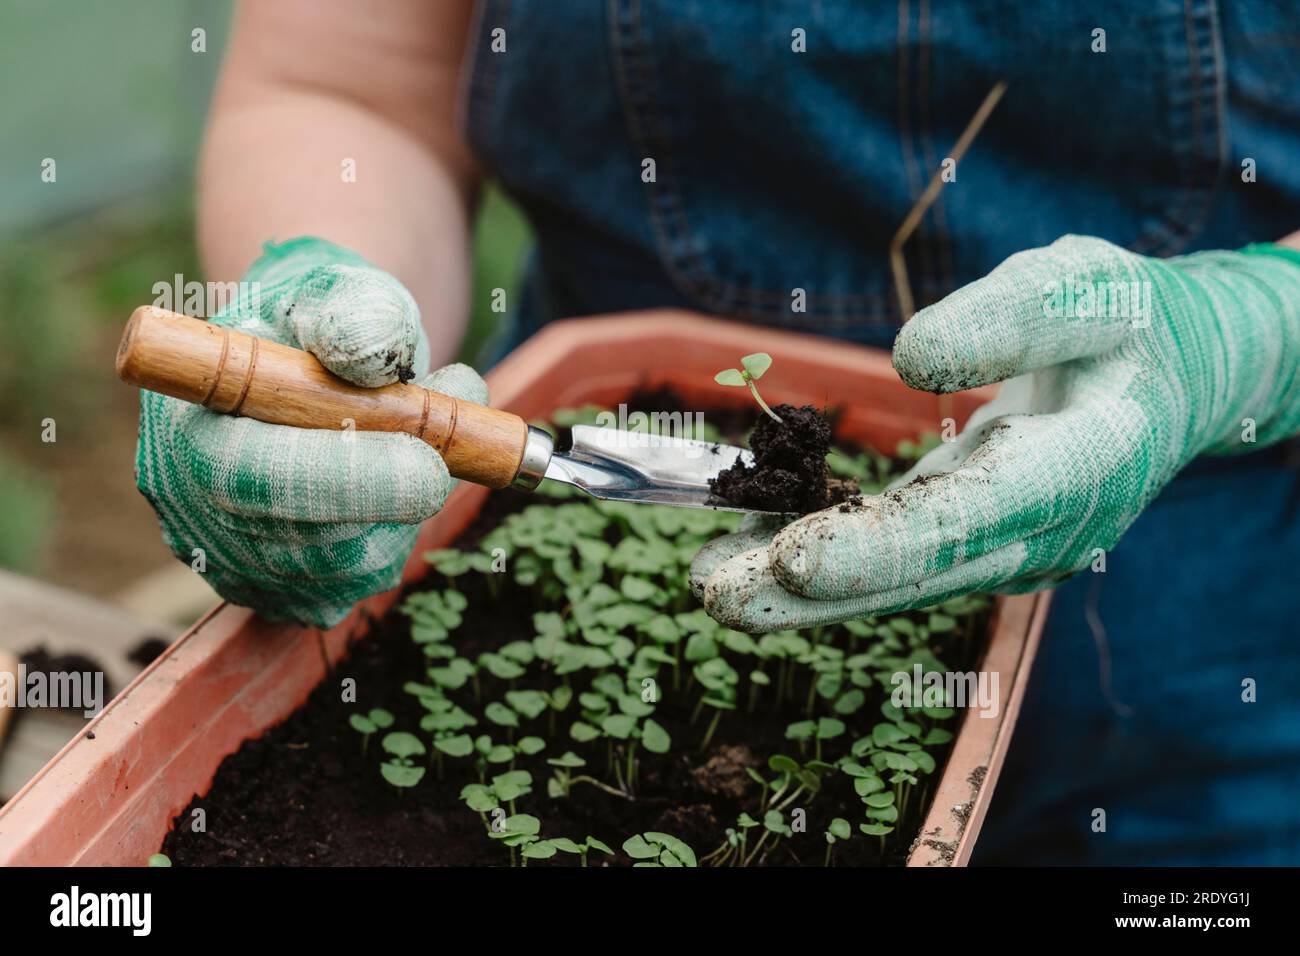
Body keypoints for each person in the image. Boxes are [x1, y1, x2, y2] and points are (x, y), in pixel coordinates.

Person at [137, 1, 1300, 864]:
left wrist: (1246, 336)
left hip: (1205, 678)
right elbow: (349, 88)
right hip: (592, 443)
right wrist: (326, 321)